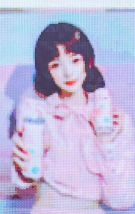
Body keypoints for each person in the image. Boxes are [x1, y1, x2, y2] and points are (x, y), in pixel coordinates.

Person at [12, 23, 135, 212]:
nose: (68, 72)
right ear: (47, 72)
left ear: (88, 62)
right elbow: (22, 189)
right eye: (55, 65)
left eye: (75, 60)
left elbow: (121, 200)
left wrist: (107, 144)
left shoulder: (115, 120)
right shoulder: (39, 114)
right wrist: (23, 171)